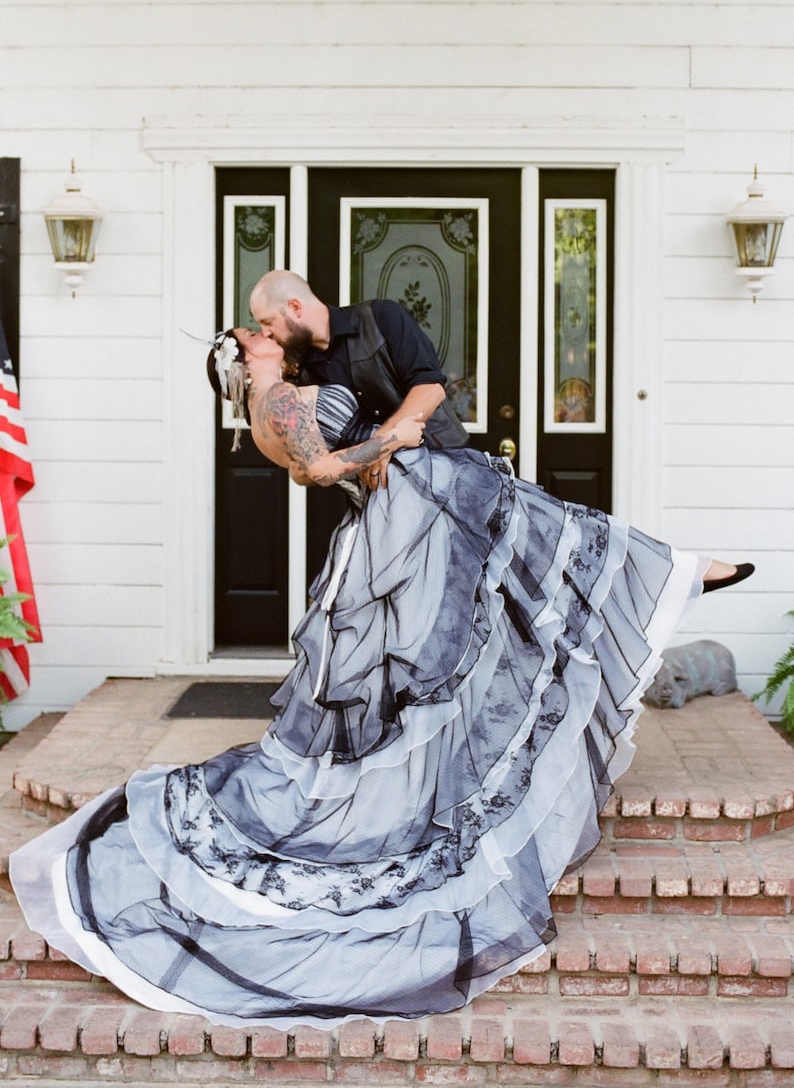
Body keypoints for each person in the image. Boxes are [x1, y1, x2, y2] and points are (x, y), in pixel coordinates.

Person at [10, 328, 754, 1031]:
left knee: (512, 586)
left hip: (404, 512)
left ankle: (671, 573)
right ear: (245, 353)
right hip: (406, 507)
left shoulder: (281, 398)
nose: (266, 330)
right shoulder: (278, 401)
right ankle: (671, 573)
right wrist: (391, 439)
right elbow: (318, 466)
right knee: (519, 568)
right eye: (257, 331)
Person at [249, 268, 469, 491]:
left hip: (444, 471)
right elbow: (305, 468)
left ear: (294, 307)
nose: (264, 333)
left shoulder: (382, 317)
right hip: (381, 497)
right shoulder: (299, 374)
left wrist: (380, 446)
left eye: (268, 322)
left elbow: (430, 389)